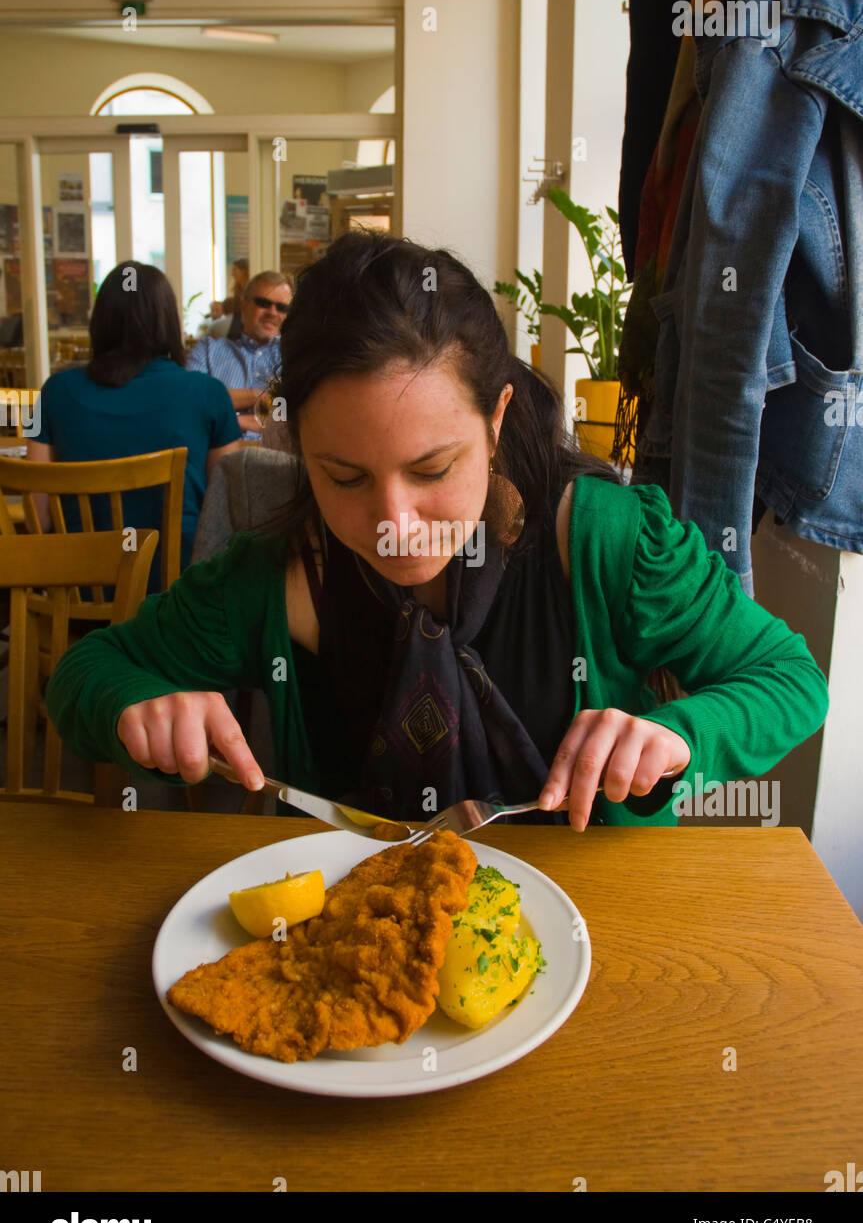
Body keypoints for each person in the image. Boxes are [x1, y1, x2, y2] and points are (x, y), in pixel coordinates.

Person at [45, 232, 829, 830]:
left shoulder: (607, 541)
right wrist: (134, 708)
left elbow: (789, 680)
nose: (392, 527)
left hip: (596, 942)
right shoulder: (267, 582)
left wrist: (682, 734)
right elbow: (84, 675)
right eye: (343, 477)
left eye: (431, 470)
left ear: (493, 424)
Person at [28, 262, 244, 592]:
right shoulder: (209, 394)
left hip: (76, 601)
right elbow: (226, 518)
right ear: (168, 320)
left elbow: (37, 518)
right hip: (177, 604)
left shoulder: (54, 392)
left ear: (100, 319)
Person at [186, 270, 292, 439]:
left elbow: (294, 420)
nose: (273, 312)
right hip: (218, 460)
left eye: (282, 308)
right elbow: (190, 401)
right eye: (263, 303)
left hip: (279, 460)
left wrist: (232, 421)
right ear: (243, 306)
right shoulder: (208, 350)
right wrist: (258, 396)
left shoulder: (294, 356)